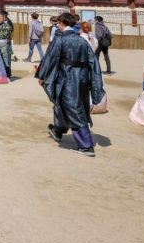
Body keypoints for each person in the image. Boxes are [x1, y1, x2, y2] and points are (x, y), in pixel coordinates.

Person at [36, 13, 104, 156]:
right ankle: (58, 130)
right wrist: (95, 83)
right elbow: (94, 63)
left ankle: (86, 145)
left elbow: (50, 59)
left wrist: (42, 76)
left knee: (73, 108)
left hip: (67, 79)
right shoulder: (82, 41)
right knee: (62, 104)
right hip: (83, 79)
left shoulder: (60, 40)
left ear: (61, 23)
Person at [0, 11, 14, 78]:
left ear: (4, 17)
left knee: (6, 61)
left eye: (0, 18)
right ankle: (3, 74)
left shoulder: (8, 26)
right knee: (1, 60)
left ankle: (8, 75)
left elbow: (4, 35)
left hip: (6, 46)